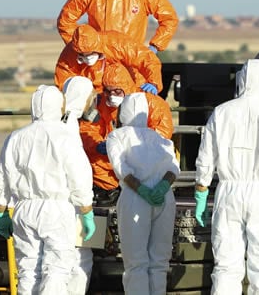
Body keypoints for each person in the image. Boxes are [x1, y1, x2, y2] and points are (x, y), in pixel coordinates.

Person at [194, 59, 259, 294]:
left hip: (228, 192)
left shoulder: (221, 112)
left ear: (240, 81)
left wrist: (201, 191)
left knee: (226, 264)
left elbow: (206, 156)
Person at [0, 85, 96, 294]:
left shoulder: (16, 137)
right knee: (57, 268)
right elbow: (80, 176)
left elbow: (2, 177)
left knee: (28, 269)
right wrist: (86, 211)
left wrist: (2, 213)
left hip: (24, 210)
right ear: (59, 106)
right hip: (57, 210)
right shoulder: (65, 136)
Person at [106, 92, 180, 295]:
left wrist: (142, 190)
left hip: (135, 197)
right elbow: (174, 168)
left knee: (136, 262)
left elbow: (121, 169)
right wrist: (163, 187)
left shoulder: (116, 136)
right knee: (159, 261)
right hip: (164, 198)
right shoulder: (158, 137)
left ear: (124, 112)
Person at [90, 63, 174, 205]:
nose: (111, 96)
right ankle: (110, 190)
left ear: (127, 87)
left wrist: (133, 144)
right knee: (94, 157)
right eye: (107, 91)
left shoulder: (152, 103)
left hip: (146, 159)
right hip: (115, 158)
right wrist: (98, 144)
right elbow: (90, 129)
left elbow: (163, 134)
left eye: (117, 91)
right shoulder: (101, 103)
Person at [62, 76, 100, 294]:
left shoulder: (60, 120)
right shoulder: (69, 127)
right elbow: (79, 172)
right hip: (69, 205)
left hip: (47, 204)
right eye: (92, 98)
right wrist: (87, 210)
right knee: (80, 260)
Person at [55, 24, 163, 94]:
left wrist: (154, 83)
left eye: (90, 53)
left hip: (124, 91)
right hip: (91, 99)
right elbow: (63, 78)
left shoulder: (116, 43)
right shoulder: (70, 53)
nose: (87, 58)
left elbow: (146, 58)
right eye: (82, 55)